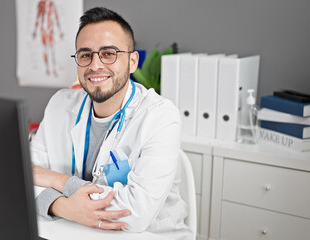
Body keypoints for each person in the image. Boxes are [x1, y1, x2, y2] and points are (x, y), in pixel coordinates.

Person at [30, 7, 193, 239]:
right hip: (74, 229)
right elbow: (25, 179)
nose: (95, 65)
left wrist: (57, 180)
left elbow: (136, 213)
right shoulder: (59, 105)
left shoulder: (160, 116)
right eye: (85, 54)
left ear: (132, 61)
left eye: (108, 53)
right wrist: (63, 207)